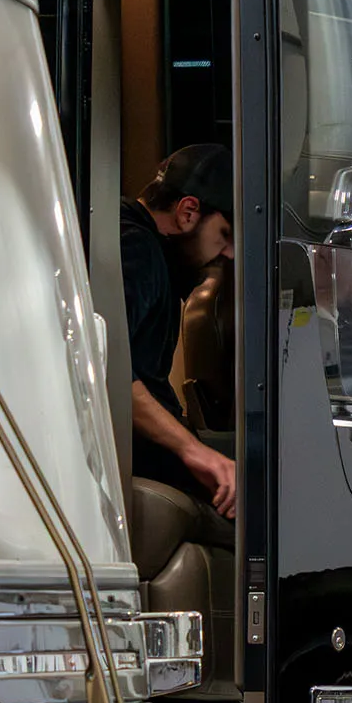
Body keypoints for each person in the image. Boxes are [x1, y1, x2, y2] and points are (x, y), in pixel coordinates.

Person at [123, 145, 236, 518]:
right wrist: (194, 451)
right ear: (189, 212)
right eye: (224, 235)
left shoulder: (147, 250)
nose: (229, 254)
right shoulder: (137, 250)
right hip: (139, 456)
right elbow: (107, 367)